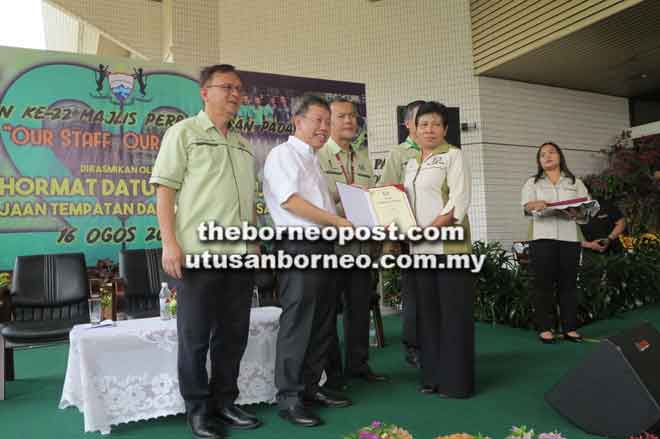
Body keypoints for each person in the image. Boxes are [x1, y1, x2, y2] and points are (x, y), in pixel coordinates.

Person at [150, 64, 261, 439]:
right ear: (204, 92)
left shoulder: (243, 145)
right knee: (195, 336)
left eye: (239, 89)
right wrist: (170, 243)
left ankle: (225, 402)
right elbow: (164, 190)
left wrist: (255, 243)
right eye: (226, 87)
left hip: (240, 254)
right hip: (198, 253)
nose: (234, 94)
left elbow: (248, 202)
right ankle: (197, 410)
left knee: (233, 334)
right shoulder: (183, 134)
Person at [263, 95, 352, 427]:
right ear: (297, 121)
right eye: (318, 120)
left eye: (327, 121)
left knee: (323, 322)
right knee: (299, 322)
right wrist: (336, 221)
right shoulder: (282, 155)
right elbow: (291, 203)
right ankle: (289, 397)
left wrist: (352, 210)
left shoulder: (313, 160)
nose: (324, 127)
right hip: (299, 249)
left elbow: (323, 210)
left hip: (324, 248)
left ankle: (313, 387)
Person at [403, 101, 474, 398]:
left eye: (435, 124)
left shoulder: (453, 156)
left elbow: (459, 201)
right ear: (414, 130)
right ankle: (432, 377)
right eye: (423, 124)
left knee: (453, 314)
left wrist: (430, 228)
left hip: (451, 246)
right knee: (428, 314)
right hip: (419, 249)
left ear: (445, 129)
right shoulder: (411, 163)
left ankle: (456, 383)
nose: (429, 129)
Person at [318, 98, 388, 389]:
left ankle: (358, 365)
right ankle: (332, 372)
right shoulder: (318, 155)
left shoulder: (361, 157)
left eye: (353, 116)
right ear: (329, 121)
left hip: (360, 246)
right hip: (331, 246)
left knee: (359, 308)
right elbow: (316, 201)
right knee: (328, 311)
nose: (349, 121)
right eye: (342, 116)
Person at [521, 141, 590, 344]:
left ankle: (570, 328)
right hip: (542, 239)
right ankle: (545, 328)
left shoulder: (574, 183)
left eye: (552, 152)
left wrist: (578, 211)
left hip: (569, 238)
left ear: (560, 156)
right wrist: (536, 205)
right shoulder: (532, 183)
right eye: (543, 155)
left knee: (568, 284)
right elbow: (526, 207)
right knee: (543, 285)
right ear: (539, 161)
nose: (548, 156)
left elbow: (586, 210)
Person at [380, 99, 425, 368]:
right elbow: (388, 193)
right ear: (408, 124)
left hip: (440, 236)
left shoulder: (444, 153)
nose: (425, 125)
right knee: (415, 293)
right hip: (411, 237)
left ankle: (437, 343)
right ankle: (414, 346)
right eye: (420, 119)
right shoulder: (399, 153)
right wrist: (393, 238)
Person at [580, 183, 626, 254]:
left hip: (614, 251)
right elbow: (569, 239)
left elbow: (621, 222)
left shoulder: (606, 205)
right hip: (589, 254)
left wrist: (609, 239)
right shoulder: (573, 212)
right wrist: (590, 245)